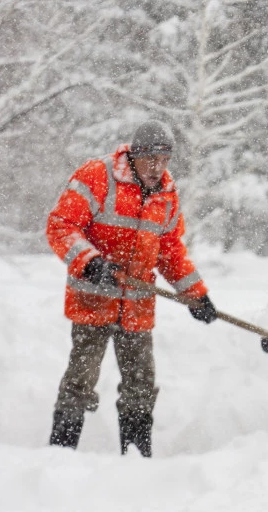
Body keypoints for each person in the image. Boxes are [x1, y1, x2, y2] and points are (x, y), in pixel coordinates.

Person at [45, 121, 218, 456]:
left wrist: (197, 296)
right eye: (150, 158)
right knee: (80, 381)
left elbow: (170, 250)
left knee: (140, 387)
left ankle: (137, 460)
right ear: (134, 155)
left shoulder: (166, 195)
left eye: (164, 159)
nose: (157, 167)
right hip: (92, 300)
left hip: (136, 308)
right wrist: (91, 261)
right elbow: (61, 225)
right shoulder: (97, 177)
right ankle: (59, 455)